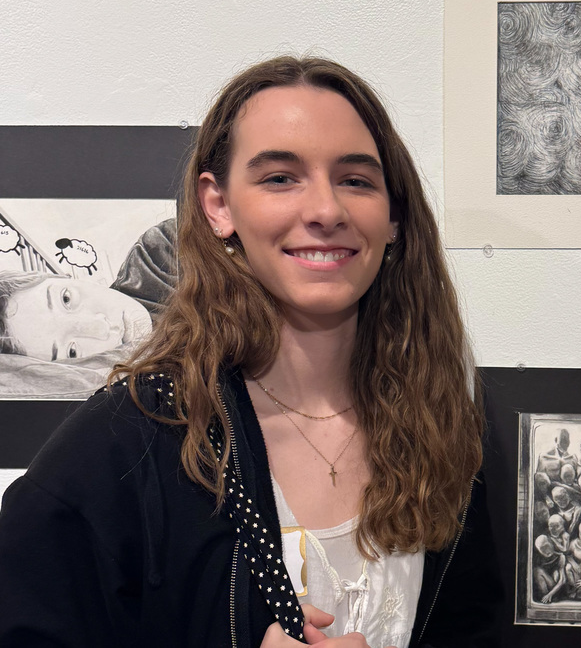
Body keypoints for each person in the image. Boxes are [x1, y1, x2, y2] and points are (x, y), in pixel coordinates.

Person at [0, 56, 501, 647]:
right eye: (280, 178)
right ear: (218, 205)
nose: (326, 210)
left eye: (356, 179)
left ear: (392, 214)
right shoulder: (124, 443)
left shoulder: (438, 419)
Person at [0, 270, 153, 361]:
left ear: (63, 277)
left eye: (66, 299)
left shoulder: (159, 253)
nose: (102, 328)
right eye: (72, 353)